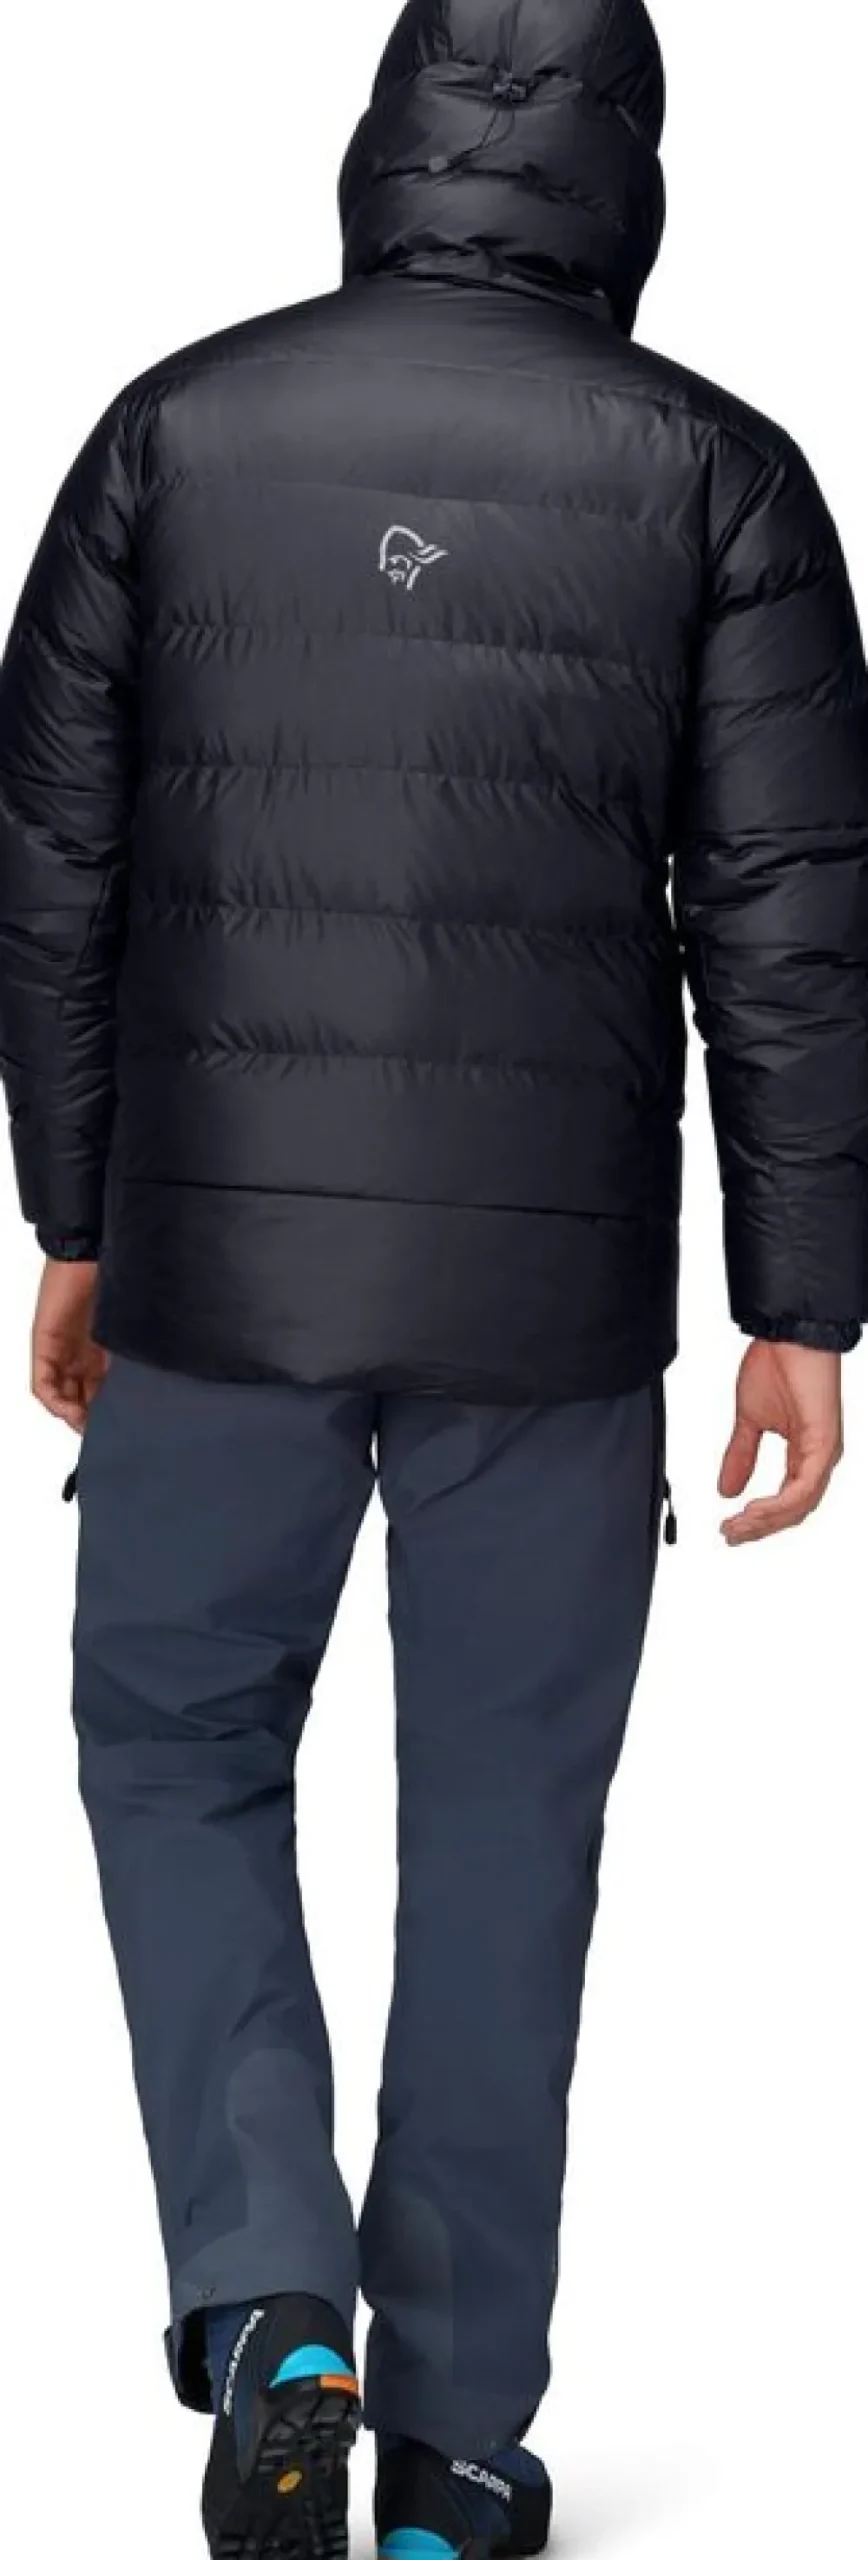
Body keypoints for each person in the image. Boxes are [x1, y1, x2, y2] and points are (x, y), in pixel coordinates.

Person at [1, 0, 866, 2553]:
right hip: (548, 1306)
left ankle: (272, 2293)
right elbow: (792, 930)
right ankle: (450, 2449)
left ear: (380, 143)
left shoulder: (177, 428)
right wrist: (800, 1302)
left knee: (177, 1747)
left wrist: (77, 1214)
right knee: (502, 1829)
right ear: (629, 170)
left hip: (216, 1266)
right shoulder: (714, 472)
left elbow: (46, 859)